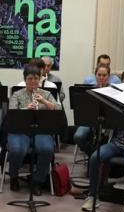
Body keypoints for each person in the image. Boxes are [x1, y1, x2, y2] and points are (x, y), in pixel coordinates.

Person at [82, 68, 124, 212]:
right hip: (116, 142)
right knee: (95, 157)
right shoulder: (117, 99)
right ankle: (93, 197)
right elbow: (107, 124)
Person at [7, 64, 61, 194]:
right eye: (30, 78)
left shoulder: (46, 94)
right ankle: (14, 176)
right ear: (25, 79)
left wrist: (44, 102)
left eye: (36, 78)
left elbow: (58, 109)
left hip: (41, 131)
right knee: (17, 150)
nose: (33, 81)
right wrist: (26, 110)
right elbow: (12, 113)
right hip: (20, 131)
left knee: (47, 149)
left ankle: (37, 181)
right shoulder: (17, 95)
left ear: (40, 79)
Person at [73, 64, 113, 155]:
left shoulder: (113, 91)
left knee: (104, 139)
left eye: (104, 75)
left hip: (108, 123)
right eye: (99, 75)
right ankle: (92, 153)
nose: (101, 78)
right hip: (89, 121)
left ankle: (97, 157)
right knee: (78, 137)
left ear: (109, 76)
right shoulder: (89, 90)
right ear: (95, 75)